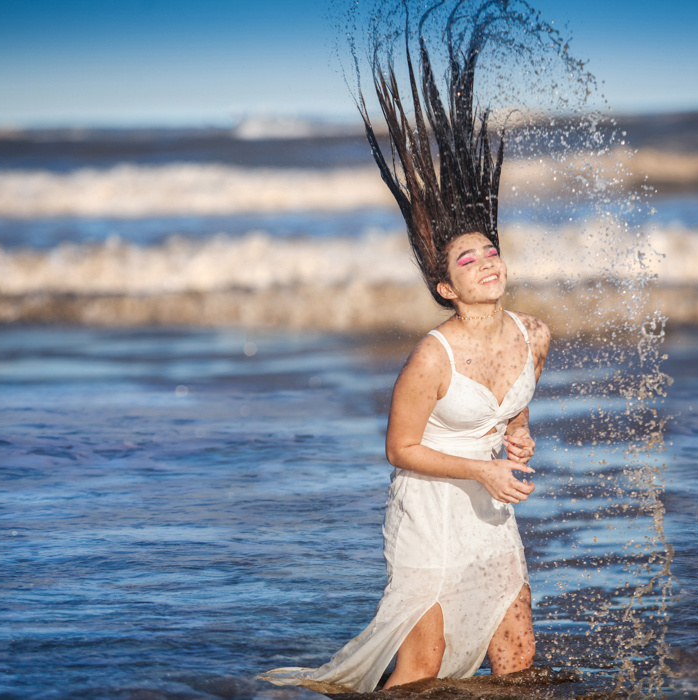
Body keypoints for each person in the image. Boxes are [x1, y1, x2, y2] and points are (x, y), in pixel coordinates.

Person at [259, 2, 550, 692]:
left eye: (490, 251)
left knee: (518, 660)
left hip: (490, 511)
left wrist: (518, 434)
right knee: (421, 669)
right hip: (431, 509)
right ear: (445, 288)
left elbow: (516, 410)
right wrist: (481, 472)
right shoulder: (431, 356)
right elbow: (399, 449)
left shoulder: (533, 334)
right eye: (467, 260)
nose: (486, 262)